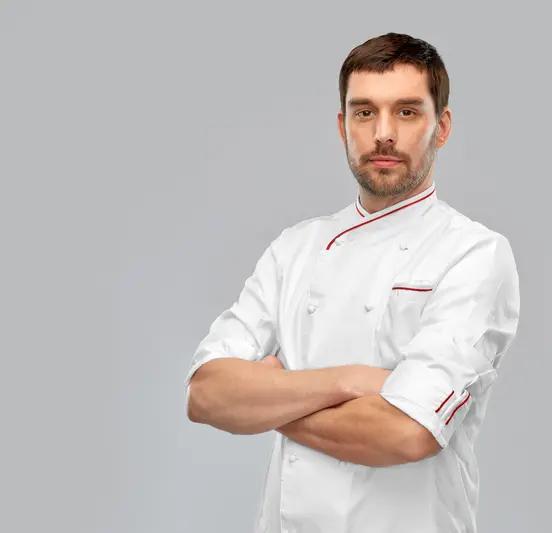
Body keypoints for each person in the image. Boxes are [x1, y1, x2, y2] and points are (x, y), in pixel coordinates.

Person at [185, 32, 521, 533]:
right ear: (343, 127)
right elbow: (205, 395)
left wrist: (269, 399)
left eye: (406, 112)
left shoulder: (473, 253)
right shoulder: (294, 249)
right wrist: (348, 381)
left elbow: (407, 432)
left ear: (442, 127)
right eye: (364, 112)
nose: (383, 133)